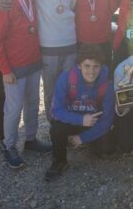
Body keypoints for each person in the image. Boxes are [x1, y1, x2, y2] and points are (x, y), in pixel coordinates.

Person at [0, 0, 52, 169]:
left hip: (34, 61)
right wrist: (5, 70)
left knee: (33, 103)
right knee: (14, 108)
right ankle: (9, 146)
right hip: (14, 67)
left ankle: (31, 138)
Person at [47, 44, 115, 182]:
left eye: (96, 66)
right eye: (87, 66)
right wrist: (81, 120)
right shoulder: (66, 79)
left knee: (107, 148)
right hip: (73, 121)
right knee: (56, 128)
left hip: (93, 123)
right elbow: (56, 110)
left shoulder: (107, 84)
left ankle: (83, 141)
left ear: (101, 66)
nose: (91, 71)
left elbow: (107, 120)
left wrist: (82, 138)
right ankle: (60, 161)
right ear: (79, 65)